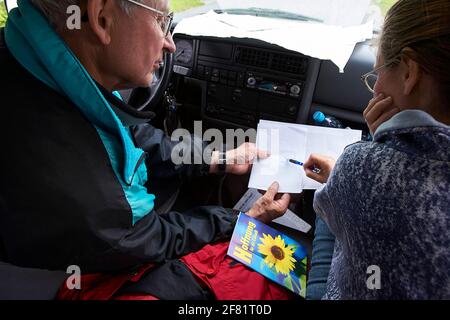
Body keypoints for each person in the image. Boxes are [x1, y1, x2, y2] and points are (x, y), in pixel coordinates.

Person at [0, 0, 292, 299]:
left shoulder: (38, 64)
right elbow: (151, 238)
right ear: (101, 18)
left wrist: (216, 158)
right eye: (161, 22)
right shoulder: (92, 195)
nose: (170, 44)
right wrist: (241, 220)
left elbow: (127, 135)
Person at [304, 0, 450, 299]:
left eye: (379, 70)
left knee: (322, 216)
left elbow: (352, 211)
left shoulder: (361, 169)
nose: (376, 87)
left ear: (410, 72)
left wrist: (374, 146)